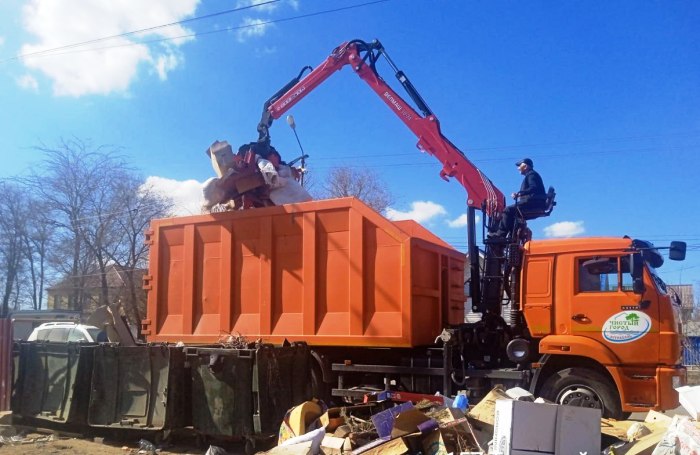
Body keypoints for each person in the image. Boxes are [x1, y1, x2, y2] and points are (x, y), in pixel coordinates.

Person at [490, 158, 546, 238]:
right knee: (512, 213)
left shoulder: (531, 175)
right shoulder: (532, 175)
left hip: (532, 203)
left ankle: (500, 235)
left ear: (525, 166)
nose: (518, 168)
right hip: (534, 202)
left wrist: (519, 194)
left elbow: (533, 187)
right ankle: (511, 235)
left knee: (507, 210)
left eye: (519, 166)